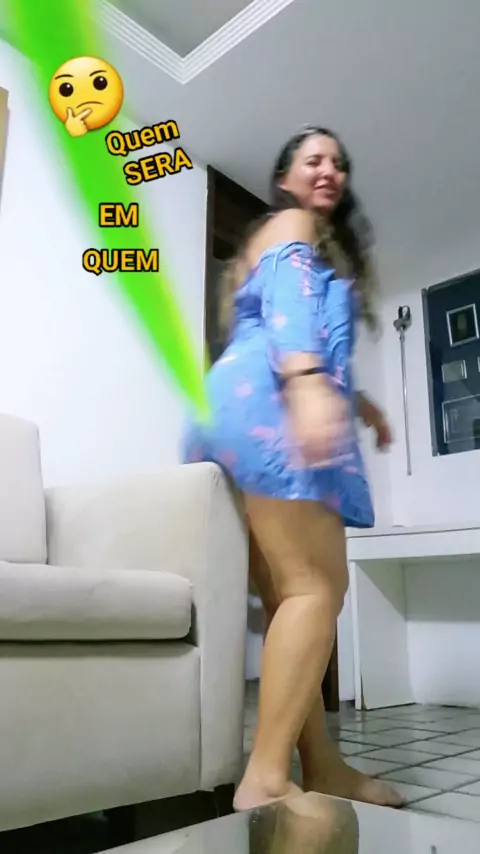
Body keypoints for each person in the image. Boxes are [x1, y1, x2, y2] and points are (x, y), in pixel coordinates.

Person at [183, 126, 402, 811]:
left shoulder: (269, 238)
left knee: (288, 601)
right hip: (271, 401)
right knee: (317, 587)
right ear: (285, 178)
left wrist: (358, 401)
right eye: (313, 159)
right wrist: (307, 382)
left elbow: (272, 324)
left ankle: (321, 764)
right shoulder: (293, 225)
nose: (329, 169)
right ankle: (267, 777)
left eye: (339, 161)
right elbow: (289, 299)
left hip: (233, 405)